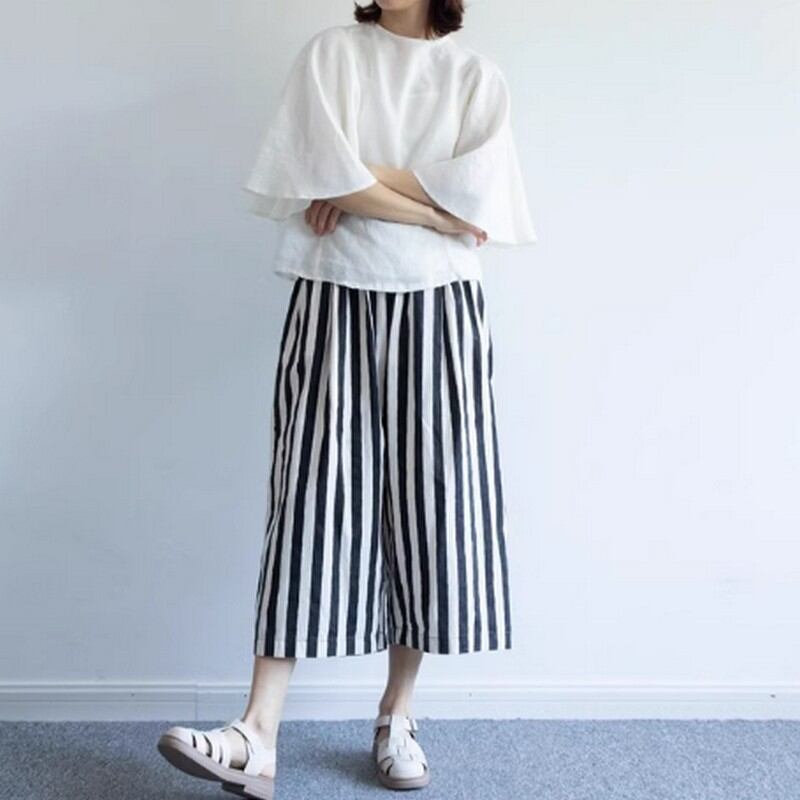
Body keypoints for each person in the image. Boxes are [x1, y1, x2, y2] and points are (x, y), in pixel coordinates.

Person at [156, 1, 536, 797]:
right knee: (309, 500)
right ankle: (258, 732)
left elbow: (478, 199)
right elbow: (316, 168)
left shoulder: (475, 77)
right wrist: (430, 206)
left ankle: (398, 714)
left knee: (433, 505)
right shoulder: (331, 54)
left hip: (440, 303)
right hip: (334, 290)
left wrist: (362, 180)